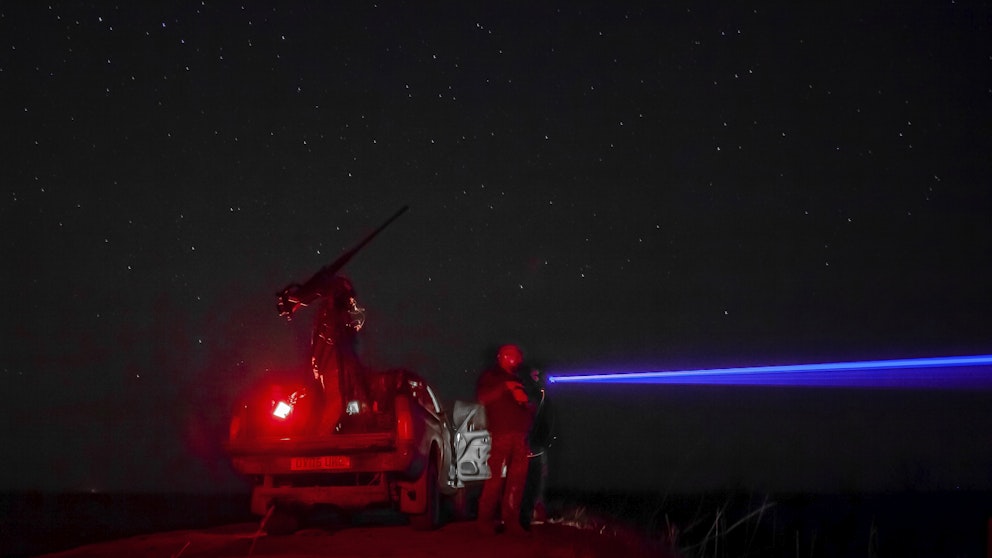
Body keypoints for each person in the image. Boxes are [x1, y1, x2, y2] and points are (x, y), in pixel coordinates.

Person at [277, 274, 369, 432]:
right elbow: (342, 349)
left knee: (338, 404)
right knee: (336, 404)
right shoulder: (331, 317)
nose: (351, 302)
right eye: (348, 297)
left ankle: (322, 437)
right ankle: (322, 439)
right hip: (332, 367)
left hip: (329, 367)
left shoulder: (328, 317)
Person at [476, 344, 536, 536]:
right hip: (501, 434)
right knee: (494, 479)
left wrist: (527, 404)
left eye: (518, 356)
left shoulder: (519, 379)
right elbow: (483, 398)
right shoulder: (491, 377)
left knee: (517, 481)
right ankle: (485, 521)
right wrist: (504, 388)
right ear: (503, 357)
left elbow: (528, 406)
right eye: (513, 356)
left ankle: (511, 521)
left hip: (520, 436)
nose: (516, 359)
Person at [519, 366, 554, 527]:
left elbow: (545, 420)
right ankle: (525, 515)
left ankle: (533, 511)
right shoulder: (532, 394)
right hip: (531, 443)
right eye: (536, 375)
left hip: (538, 442)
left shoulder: (541, 395)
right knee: (531, 479)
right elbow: (532, 418)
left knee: (539, 478)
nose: (539, 378)